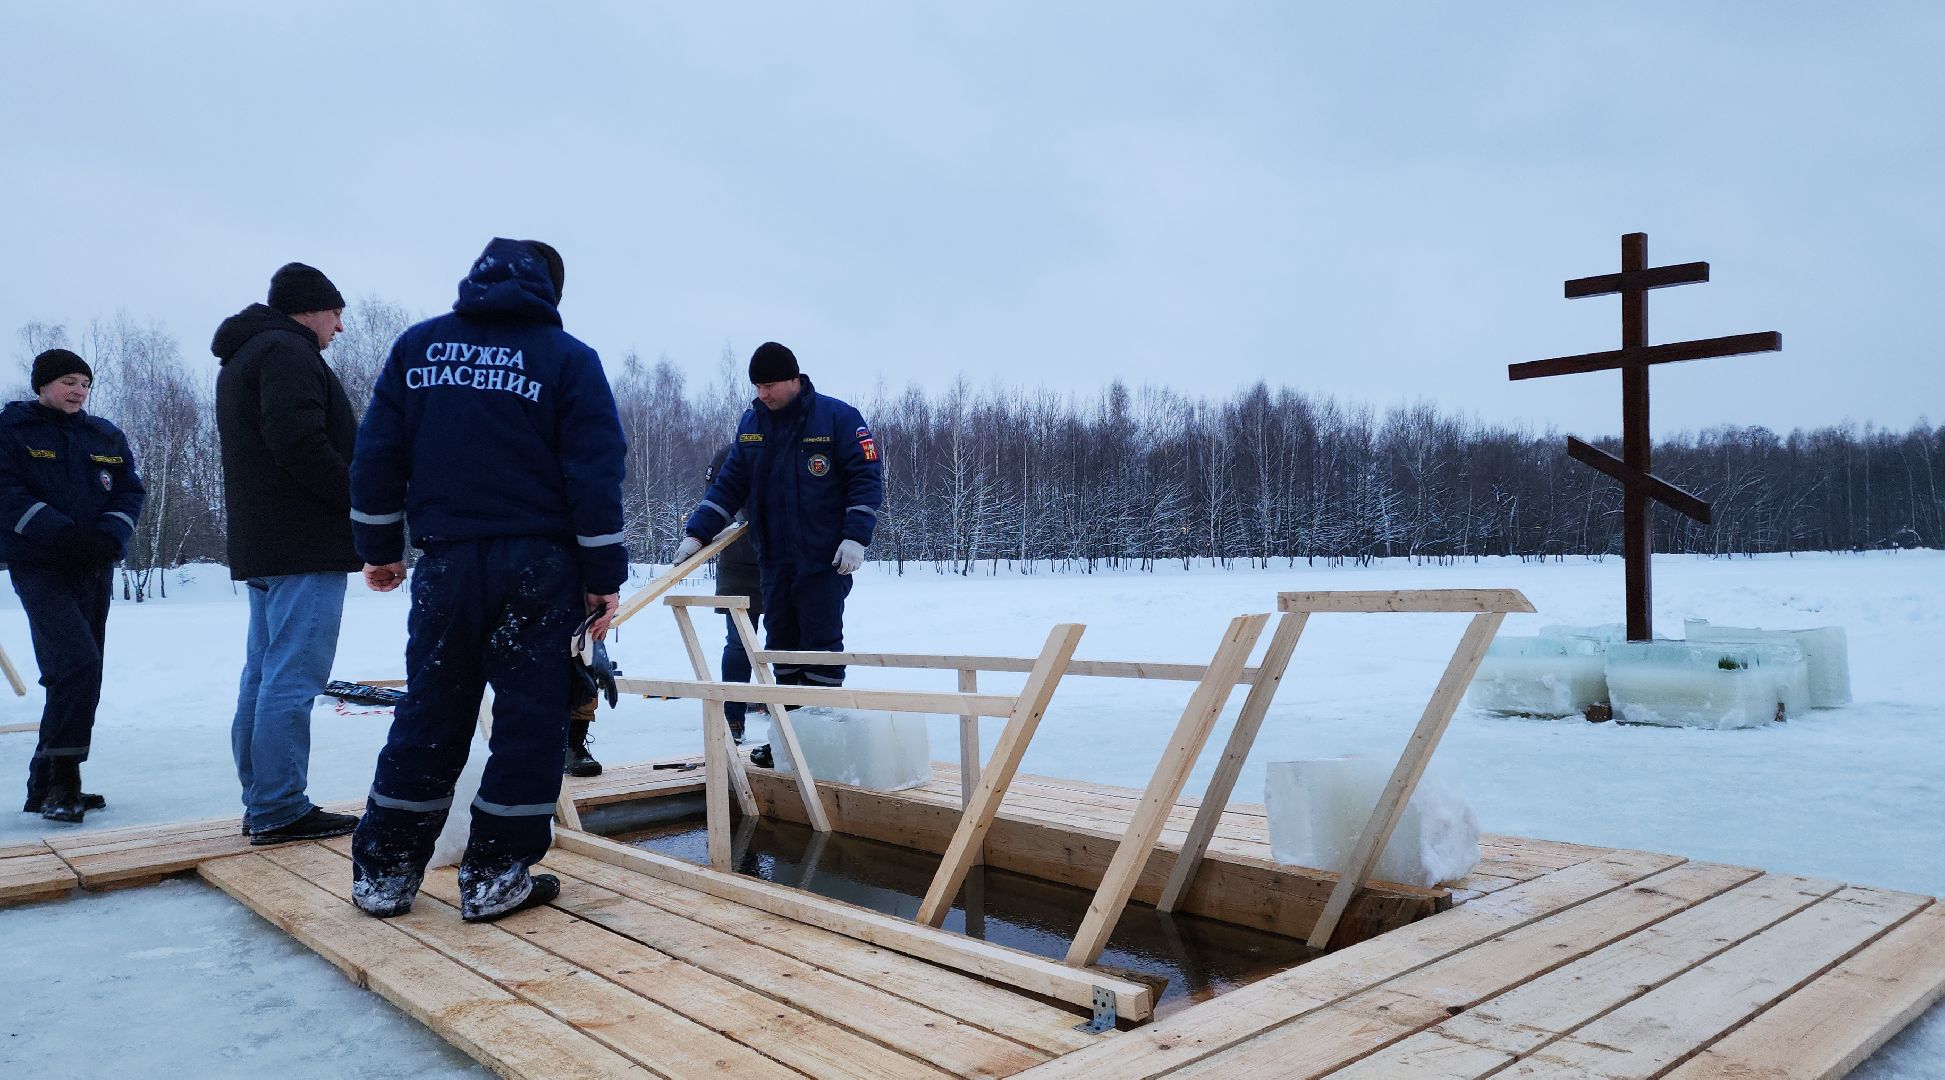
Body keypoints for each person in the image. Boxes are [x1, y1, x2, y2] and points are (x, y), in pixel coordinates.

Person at [348, 238, 626, 924]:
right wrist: (602, 577)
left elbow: (378, 453)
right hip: (538, 566)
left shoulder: (421, 348)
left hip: (446, 563)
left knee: (431, 708)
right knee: (531, 715)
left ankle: (384, 871)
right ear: (549, 291)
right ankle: (497, 871)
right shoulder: (566, 359)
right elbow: (594, 475)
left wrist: (379, 547)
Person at [212, 263, 364, 846]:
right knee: (292, 675)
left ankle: (265, 801)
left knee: (264, 673)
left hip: (266, 543)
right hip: (303, 542)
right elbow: (299, 444)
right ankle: (278, 807)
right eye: (336, 314)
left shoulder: (246, 355)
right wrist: (360, 499)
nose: (340, 328)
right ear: (310, 309)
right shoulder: (287, 352)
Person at [675, 343, 883, 764]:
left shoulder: (838, 418)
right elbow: (730, 483)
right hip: (774, 559)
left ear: (793, 379)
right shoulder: (753, 424)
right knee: (782, 648)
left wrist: (855, 537)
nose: (763, 393)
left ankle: (820, 742)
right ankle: (789, 740)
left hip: (825, 559)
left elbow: (866, 478)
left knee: (820, 648)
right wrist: (697, 533)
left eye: (769, 384)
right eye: (757, 385)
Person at [0, 349, 146, 822]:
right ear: (42, 385)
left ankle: (44, 782)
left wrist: (109, 535)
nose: (77, 390)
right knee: (75, 662)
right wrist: (61, 532)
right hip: (39, 564)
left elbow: (130, 490)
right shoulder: (12, 430)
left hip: (92, 566)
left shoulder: (103, 434)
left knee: (83, 670)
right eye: (67, 381)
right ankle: (65, 780)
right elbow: (6, 493)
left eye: (84, 382)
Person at [706, 442, 762, 744]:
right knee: (740, 642)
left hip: (785, 562)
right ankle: (733, 717)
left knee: (786, 643)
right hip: (739, 562)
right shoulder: (730, 454)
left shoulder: (792, 447)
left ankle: (787, 712)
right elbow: (714, 502)